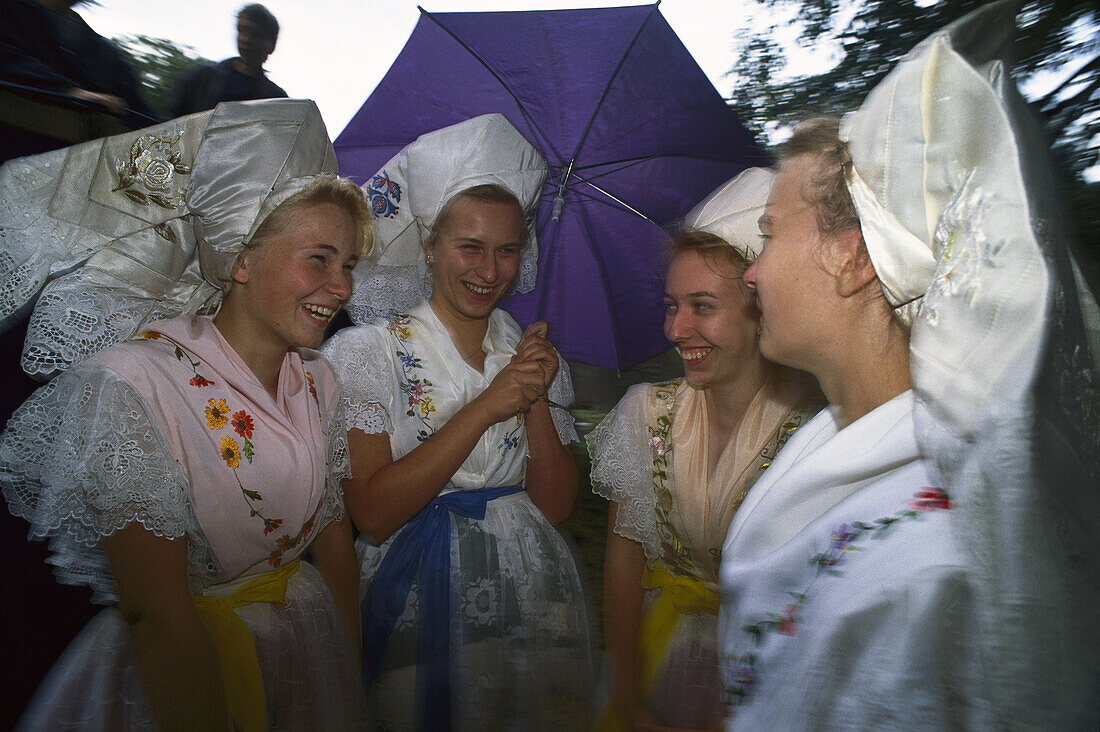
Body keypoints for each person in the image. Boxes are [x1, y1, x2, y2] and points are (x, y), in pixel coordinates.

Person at [718, 2, 1098, 728]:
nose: (753, 273)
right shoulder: (831, 445)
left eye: (768, 235)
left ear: (854, 257)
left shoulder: (937, 571)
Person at [0, 99, 372, 730]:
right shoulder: (133, 385)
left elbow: (333, 531)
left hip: (303, 653)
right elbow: (158, 615)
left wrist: (349, 675)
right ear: (240, 261)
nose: (342, 288)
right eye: (320, 258)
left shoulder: (320, 381)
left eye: (349, 265)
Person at [322, 113, 593, 730]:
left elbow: (553, 507)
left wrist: (538, 395)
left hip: (525, 592)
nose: (488, 270)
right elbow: (373, 512)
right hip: (413, 589)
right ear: (429, 245)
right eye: (468, 246)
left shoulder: (526, 351)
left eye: (506, 250)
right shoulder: (371, 354)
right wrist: (486, 407)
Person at [586, 168, 822, 731]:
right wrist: (626, 689)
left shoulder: (814, 434)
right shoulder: (648, 413)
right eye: (671, 305)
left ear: (762, 305)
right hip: (660, 653)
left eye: (702, 306)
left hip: (765, 674)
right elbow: (624, 561)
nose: (676, 328)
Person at [167, 3, 287, 117]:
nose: (245, 39)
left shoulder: (277, 100)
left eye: (255, 34)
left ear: (271, 45)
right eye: (242, 30)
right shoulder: (200, 79)